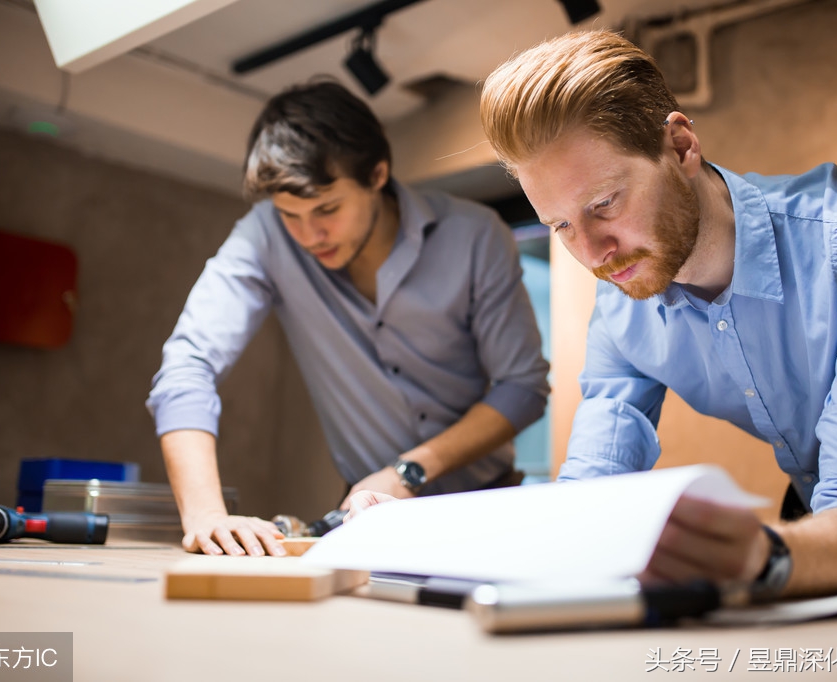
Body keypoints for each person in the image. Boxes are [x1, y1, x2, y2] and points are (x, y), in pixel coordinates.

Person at [470, 29, 837, 600]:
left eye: (604, 203)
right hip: (820, 528)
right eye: (560, 226)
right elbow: (593, 481)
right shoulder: (622, 301)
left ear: (680, 147)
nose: (592, 254)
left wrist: (753, 555)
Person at [146, 79, 549, 557]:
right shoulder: (265, 237)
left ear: (377, 175)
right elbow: (186, 368)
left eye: (327, 209)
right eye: (289, 215)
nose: (308, 234)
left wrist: (408, 471)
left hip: (485, 506)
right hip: (362, 519)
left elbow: (522, 387)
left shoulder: (475, 236)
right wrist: (205, 515)